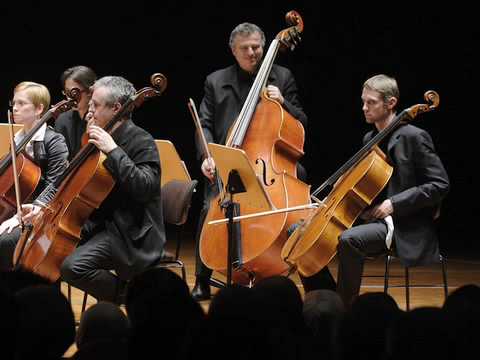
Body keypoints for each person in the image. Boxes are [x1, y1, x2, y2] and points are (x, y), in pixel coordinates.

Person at [192, 22, 335, 301]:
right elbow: (204, 124)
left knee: (299, 177)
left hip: (269, 161)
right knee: (210, 202)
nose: (252, 53)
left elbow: (301, 122)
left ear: (264, 45)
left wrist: (284, 103)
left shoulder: (282, 76)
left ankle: (298, 264)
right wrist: (208, 156)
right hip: (230, 158)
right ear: (233, 51)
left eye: (257, 47)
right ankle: (202, 279)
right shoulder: (215, 81)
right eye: (245, 48)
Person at [336, 74, 450, 307]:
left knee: (348, 240)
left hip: (405, 225)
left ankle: (344, 311)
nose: (364, 108)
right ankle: (327, 298)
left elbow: (440, 184)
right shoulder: (370, 138)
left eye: (371, 102)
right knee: (303, 232)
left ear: (391, 103)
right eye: (363, 101)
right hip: (377, 222)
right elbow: (370, 188)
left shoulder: (414, 137)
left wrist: (394, 203)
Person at [59, 75, 166, 304]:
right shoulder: (95, 137)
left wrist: (113, 150)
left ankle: (132, 297)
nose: (90, 112)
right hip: (102, 225)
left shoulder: (141, 140)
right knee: (53, 251)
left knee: (73, 267)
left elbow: (145, 188)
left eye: (96, 106)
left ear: (116, 108)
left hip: (131, 234)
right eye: (90, 105)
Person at [0, 81, 69, 269]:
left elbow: (56, 186)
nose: (15, 108)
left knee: (3, 242)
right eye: (14, 103)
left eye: (22, 104)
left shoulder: (54, 141)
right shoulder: (17, 138)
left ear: (39, 108)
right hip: (15, 208)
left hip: (39, 215)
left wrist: (17, 217)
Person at [54, 65, 97, 160]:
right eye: (67, 93)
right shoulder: (62, 120)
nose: (70, 99)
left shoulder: (100, 118)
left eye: (74, 93)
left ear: (90, 91)